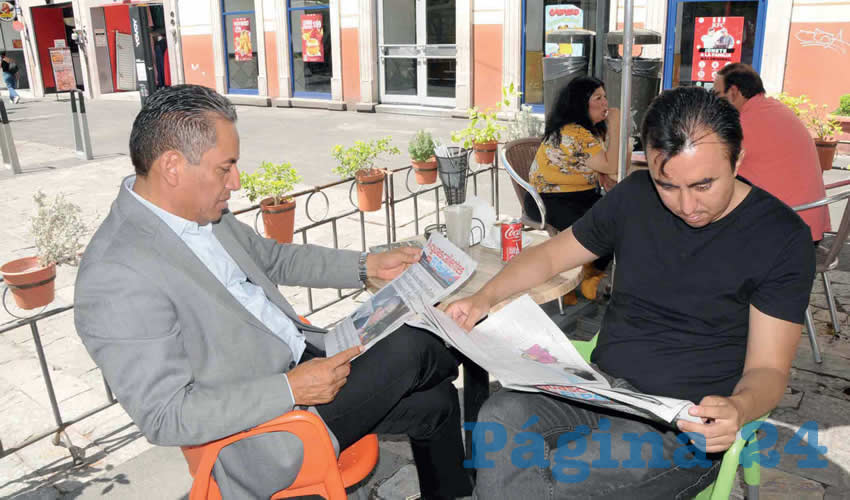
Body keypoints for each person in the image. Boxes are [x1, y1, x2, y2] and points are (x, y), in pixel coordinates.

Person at [74, 85, 472, 500]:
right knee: (420, 343)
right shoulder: (116, 274)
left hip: (305, 361)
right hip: (266, 425)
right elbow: (165, 415)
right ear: (172, 166)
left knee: (437, 402)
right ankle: (474, 350)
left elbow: (275, 259)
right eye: (225, 168)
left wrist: (365, 266)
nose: (237, 181)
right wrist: (291, 389)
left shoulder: (198, 209)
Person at [447, 86, 815, 499]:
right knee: (501, 415)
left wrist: (739, 408)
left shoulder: (780, 238)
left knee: (566, 473)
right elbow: (551, 256)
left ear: (739, 159)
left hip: (682, 424)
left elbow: (768, 369)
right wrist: (484, 298)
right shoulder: (636, 197)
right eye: (668, 185)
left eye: (703, 185)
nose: (687, 204)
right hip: (599, 389)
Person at [525, 76, 622, 301]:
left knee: (621, 216)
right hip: (549, 201)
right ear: (581, 104)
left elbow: (607, 164)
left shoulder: (588, 131)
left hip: (577, 196)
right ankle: (580, 279)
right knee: (605, 225)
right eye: (598, 98)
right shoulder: (573, 132)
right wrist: (617, 125)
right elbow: (613, 164)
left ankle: (588, 275)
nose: (605, 103)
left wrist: (602, 171)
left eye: (605, 97)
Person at [714, 62, 829, 243]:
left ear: (734, 92)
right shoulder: (774, 109)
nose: (716, 103)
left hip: (784, 234)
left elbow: (710, 166)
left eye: (717, 95)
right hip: (805, 223)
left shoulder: (747, 122)